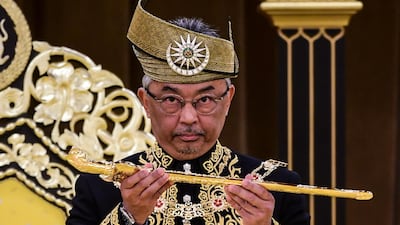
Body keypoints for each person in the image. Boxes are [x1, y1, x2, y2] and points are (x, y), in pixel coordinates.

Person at [66, 0, 310, 225]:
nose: (189, 118)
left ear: (228, 100)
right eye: (171, 99)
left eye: (205, 99)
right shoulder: (101, 188)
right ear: (146, 102)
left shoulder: (277, 187)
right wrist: (128, 217)